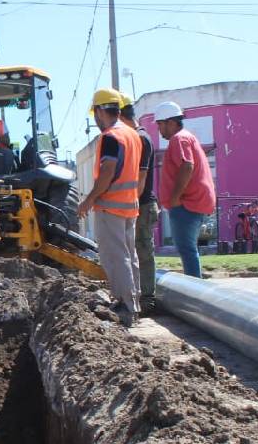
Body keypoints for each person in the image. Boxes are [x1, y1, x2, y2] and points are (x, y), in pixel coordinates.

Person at [79, 88, 142, 326]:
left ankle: (125, 306)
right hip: (129, 205)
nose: (95, 119)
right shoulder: (132, 134)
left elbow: (107, 172)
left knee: (116, 257)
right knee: (129, 255)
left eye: (95, 112)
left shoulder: (110, 137)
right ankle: (133, 302)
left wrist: (90, 199)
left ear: (99, 111)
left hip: (111, 206)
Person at [155, 101, 216, 278]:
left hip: (187, 204)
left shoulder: (179, 139)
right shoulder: (187, 137)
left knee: (187, 250)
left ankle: (195, 290)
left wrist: (174, 197)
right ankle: (195, 286)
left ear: (171, 122)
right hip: (193, 202)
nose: (160, 130)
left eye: (160, 125)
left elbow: (187, 166)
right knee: (189, 249)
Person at [120, 94, 158, 310]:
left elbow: (140, 179)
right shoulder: (135, 138)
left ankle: (147, 300)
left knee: (143, 252)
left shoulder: (141, 139)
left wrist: (130, 205)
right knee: (135, 251)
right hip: (138, 204)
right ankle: (138, 297)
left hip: (141, 205)